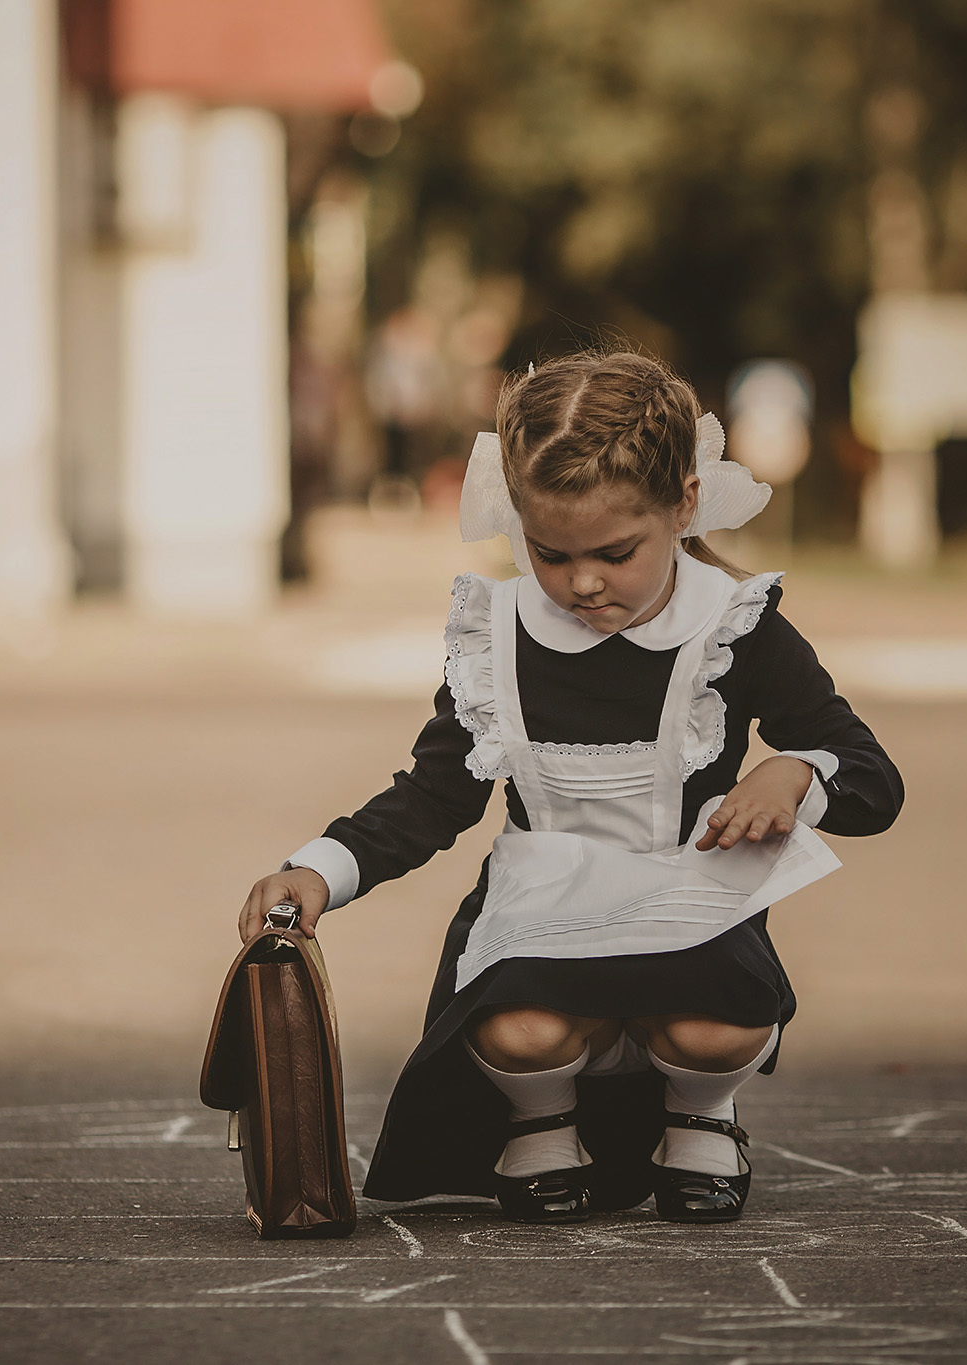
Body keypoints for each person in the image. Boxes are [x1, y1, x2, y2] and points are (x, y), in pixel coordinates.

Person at [238, 349, 903, 1225]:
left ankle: (704, 1117)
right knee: (519, 1028)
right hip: (541, 903)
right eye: (550, 553)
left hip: (686, 901)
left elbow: (874, 781)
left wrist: (794, 770)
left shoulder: (734, 623)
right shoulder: (498, 634)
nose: (583, 581)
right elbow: (436, 795)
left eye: (615, 553)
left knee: (717, 1021)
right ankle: (540, 1127)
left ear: (685, 505)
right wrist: (318, 868)